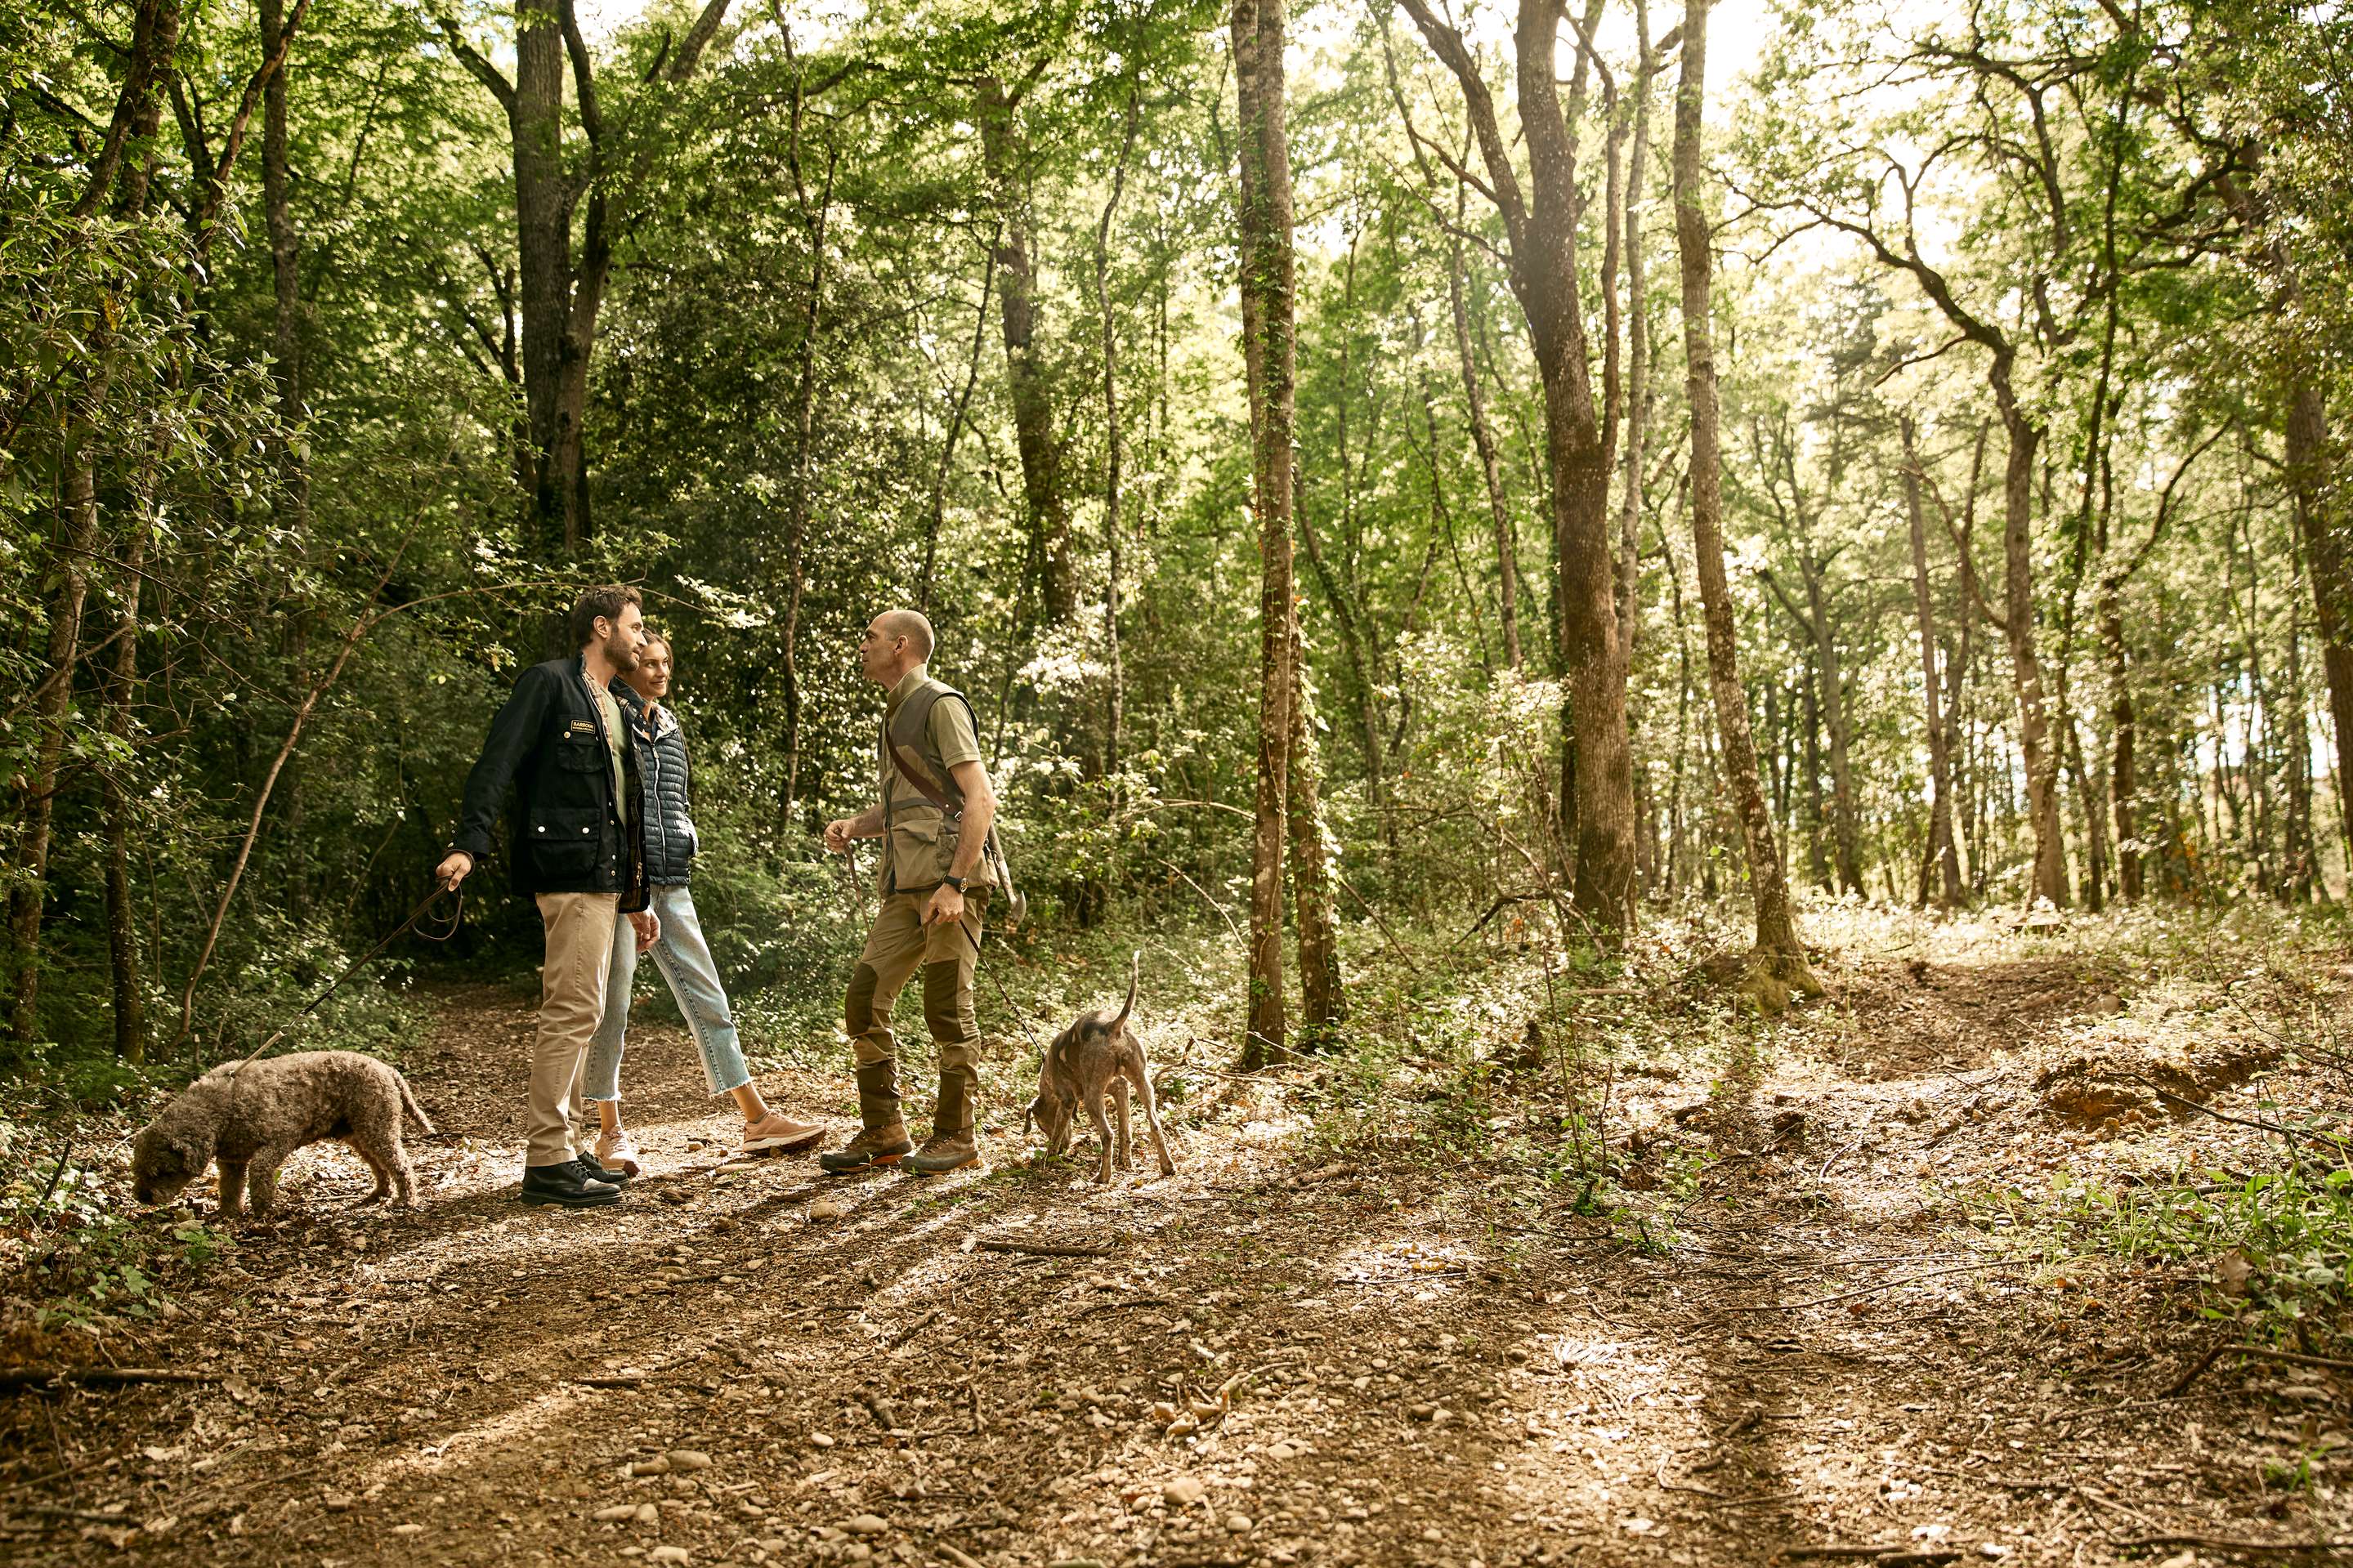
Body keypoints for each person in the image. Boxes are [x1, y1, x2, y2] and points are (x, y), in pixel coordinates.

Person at [436, 586, 657, 1209]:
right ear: (601, 628)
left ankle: (568, 1146)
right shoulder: (548, 684)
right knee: (571, 1010)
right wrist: (469, 844)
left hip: (606, 877)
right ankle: (547, 1160)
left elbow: (624, 807)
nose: (642, 638)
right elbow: (497, 763)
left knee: (585, 1012)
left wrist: (637, 895)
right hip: (567, 870)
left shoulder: (618, 702)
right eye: (635, 627)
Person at [570, 631, 825, 1172]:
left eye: (666, 662)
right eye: (650, 663)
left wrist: (685, 835)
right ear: (628, 668)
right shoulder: (610, 718)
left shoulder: (668, 724)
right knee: (612, 1007)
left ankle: (756, 1119)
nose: (661, 671)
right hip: (623, 885)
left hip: (673, 881)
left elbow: (676, 798)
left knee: (709, 996)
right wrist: (627, 882)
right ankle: (609, 1133)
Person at [819, 610, 1000, 1177]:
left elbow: (979, 798)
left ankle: (956, 1135)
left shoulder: (939, 704)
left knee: (945, 1007)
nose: (861, 645)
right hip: (905, 888)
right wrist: (855, 825)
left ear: (900, 645)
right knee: (863, 999)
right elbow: (909, 805)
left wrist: (955, 883)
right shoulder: (895, 711)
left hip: (948, 887)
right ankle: (884, 1130)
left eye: (869, 637)